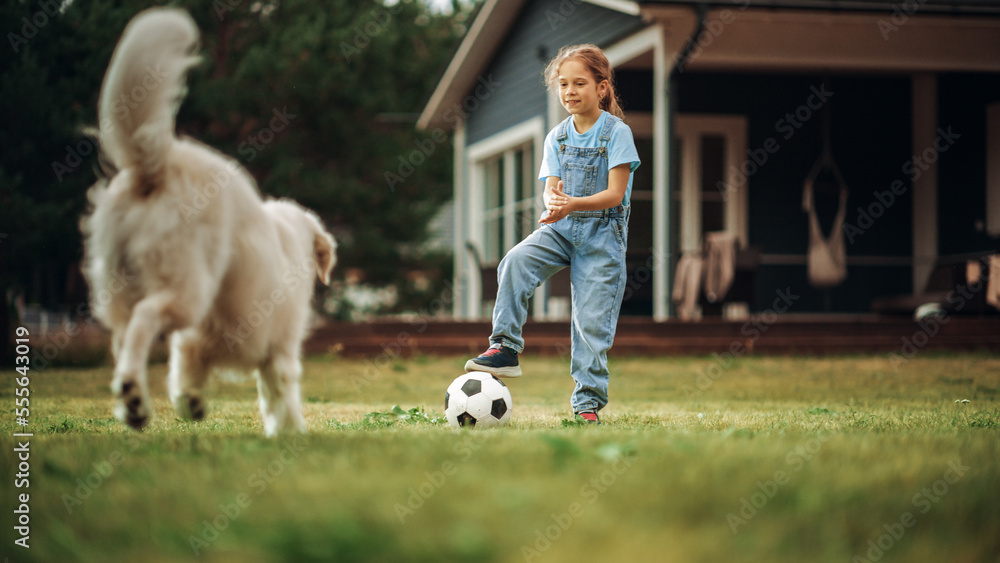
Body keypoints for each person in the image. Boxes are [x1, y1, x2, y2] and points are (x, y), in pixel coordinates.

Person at [464, 44, 640, 425]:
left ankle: (587, 403)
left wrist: (572, 203)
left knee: (590, 323)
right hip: (559, 227)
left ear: (602, 88)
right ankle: (505, 347)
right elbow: (550, 187)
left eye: (580, 83)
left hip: (603, 235)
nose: (570, 91)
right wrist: (554, 201)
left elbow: (614, 193)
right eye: (563, 84)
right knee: (515, 261)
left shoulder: (617, 133)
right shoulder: (557, 137)